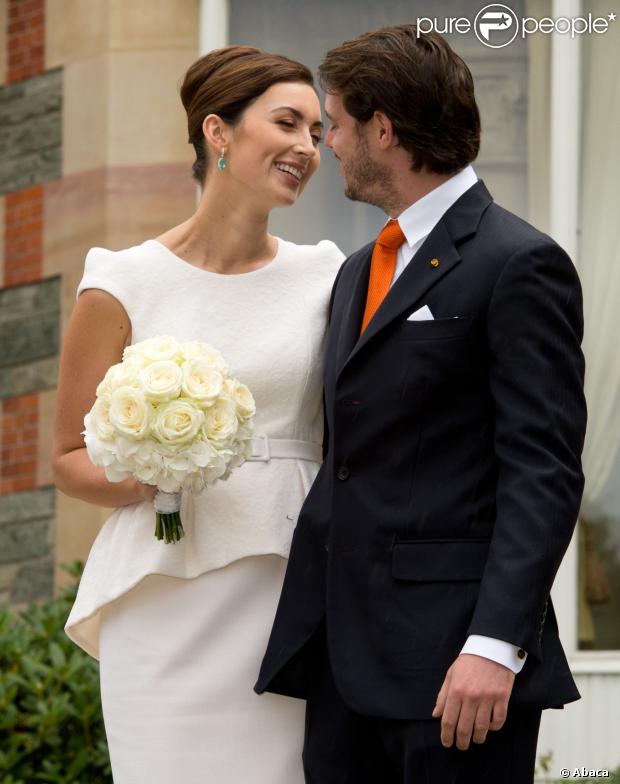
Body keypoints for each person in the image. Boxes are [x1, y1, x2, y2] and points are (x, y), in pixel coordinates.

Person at [256, 25, 587, 784]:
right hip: (340, 668)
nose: (328, 141)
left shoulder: (519, 263)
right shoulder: (356, 272)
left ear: (384, 129)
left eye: (335, 123)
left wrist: (495, 645)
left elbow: (543, 472)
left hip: (455, 674)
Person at [54, 45, 343, 784]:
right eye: (287, 123)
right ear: (218, 132)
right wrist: (154, 472)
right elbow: (67, 457)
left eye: (317, 131)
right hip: (160, 593)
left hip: (288, 587)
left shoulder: (327, 274)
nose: (307, 148)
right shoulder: (119, 280)